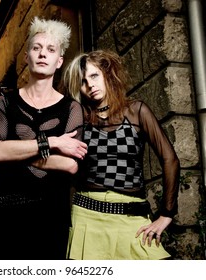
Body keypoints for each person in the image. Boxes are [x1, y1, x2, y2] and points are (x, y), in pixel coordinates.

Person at [0, 17, 87, 260]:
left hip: (51, 220)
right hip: (7, 217)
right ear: (26, 56)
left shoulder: (71, 109)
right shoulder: (5, 101)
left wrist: (12, 152)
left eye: (50, 50)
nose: (42, 54)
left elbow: (69, 164)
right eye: (36, 48)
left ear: (59, 61)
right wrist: (53, 142)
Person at [62, 50, 180, 260]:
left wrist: (166, 214)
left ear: (107, 74)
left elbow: (169, 159)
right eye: (82, 81)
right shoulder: (78, 117)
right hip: (88, 217)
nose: (90, 85)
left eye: (94, 76)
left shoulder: (136, 111)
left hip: (132, 217)